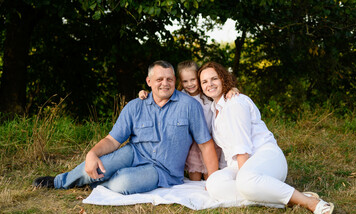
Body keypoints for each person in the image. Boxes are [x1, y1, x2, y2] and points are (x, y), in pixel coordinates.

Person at [33, 60, 219, 194]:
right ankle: (59, 182)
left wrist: (214, 180)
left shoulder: (189, 106)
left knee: (124, 182)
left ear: (174, 81)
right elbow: (113, 140)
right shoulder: (135, 106)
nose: (165, 83)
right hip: (134, 153)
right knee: (99, 163)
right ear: (149, 82)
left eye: (169, 79)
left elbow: (205, 144)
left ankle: (98, 184)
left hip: (162, 170)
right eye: (159, 79)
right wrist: (92, 153)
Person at [198, 62, 335, 214]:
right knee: (214, 184)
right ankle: (286, 199)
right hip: (242, 164)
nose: (210, 84)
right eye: (204, 82)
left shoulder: (235, 103)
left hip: (266, 158)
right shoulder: (215, 108)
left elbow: (242, 147)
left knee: (245, 182)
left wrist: (243, 178)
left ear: (223, 78)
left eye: (214, 78)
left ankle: (312, 203)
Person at [139, 60, 237, 181]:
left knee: (209, 174)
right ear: (179, 81)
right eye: (185, 81)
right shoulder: (180, 95)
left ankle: (210, 187)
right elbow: (161, 93)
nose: (189, 84)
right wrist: (145, 93)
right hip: (193, 144)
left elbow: (222, 91)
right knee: (194, 175)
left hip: (210, 141)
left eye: (193, 80)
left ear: (199, 78)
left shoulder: (207, 94)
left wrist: (232, 89)